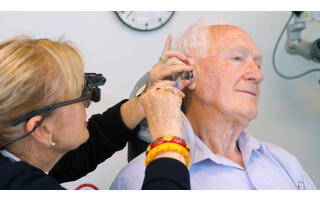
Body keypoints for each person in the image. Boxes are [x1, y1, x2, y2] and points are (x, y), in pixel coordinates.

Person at [110, 22, 317, 190]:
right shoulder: (139, 180)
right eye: (237, 58)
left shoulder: (284, 161)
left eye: (258, 65)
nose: (258, 75)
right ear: (187, 74)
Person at [0, 35, 194, 189]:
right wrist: (168, 139)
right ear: (40, 128)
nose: (89, 103)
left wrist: (146, 99)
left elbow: (90, 145)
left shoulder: (17, 156)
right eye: (81, 94)